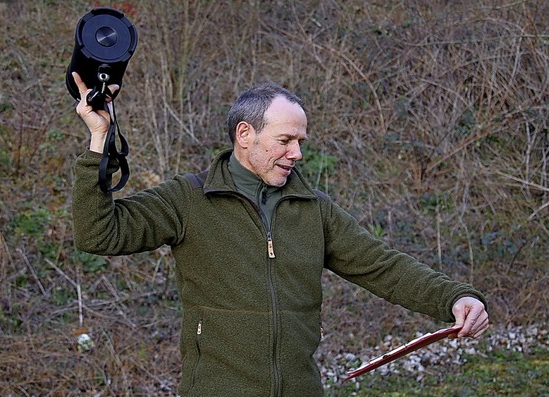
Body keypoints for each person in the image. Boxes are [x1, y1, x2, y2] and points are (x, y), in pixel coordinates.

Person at [70, 72, 489, 396]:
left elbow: (382, 266)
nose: (298, 154)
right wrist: (99, 140)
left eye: (300, 141)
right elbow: (99, 235)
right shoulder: (188, 199)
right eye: (286, 140)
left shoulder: (314, 207)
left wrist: (455, 297)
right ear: (245, 135)